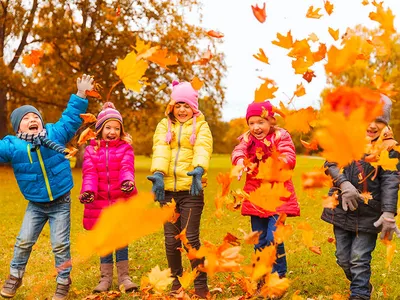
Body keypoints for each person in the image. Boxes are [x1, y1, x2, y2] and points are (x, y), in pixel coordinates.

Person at [0, 74, 94, 300]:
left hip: (61, 202)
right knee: (23, 241)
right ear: (17, 127)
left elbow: (71, 119)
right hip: (35, 204)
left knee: (60, 245)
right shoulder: (13, 145)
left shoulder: (54, 134)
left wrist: (80, 94)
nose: (32, 119)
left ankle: (63, 281)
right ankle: (15, 276)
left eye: (35, 116)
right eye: (26, 118)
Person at [321, 94, 400, 300]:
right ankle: (363, 284)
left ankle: (360, 294)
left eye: (379, 121)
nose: (372, 125)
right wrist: (344, 183)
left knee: (359, 259)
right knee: (343, 259)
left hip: (369, 214)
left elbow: (391, 181)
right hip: (342, 210)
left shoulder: (389, 149)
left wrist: (389, 212)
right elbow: (331, 163)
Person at [147, 80, 212, 299]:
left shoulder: (201, 126)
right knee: (171, 240)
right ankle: (176, 281)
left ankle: (201, 283)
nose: (182, 110)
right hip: (168, 193)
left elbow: (203, 147)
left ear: (193, 107)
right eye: (178, 105)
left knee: (190, 239)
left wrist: (199, 169)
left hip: (191, 191)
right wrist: (157, 174)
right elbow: (160, 150)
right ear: (172, 107)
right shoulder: (163, 126)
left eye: (186, 105)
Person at [231, 101, 300, 281]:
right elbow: (238, 151)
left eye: (260, 122)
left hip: (278, 195)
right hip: (256, 197)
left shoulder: (280, 136)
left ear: (271, 121)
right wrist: (239, 162)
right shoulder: (247, 139)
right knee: (259, 240)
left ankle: (278, 275)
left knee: (273, 237)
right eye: (252, 123)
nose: (256, 127)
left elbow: (289, 156)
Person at [79, 102, 138, 293]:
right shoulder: (91, 150)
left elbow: (126, 168)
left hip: (120, 200)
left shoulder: (125, 148)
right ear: (100, 129)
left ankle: (124, 277)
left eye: (116, 128)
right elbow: (89, 173)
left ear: (121, 131)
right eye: (108, 127)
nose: (112, 131)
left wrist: (127, 182)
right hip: (99, 202)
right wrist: (88, 191)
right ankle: (105, 278)